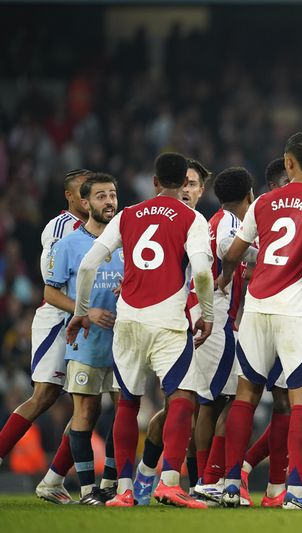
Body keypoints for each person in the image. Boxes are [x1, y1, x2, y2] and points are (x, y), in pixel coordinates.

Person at [67, 152, 215, 508]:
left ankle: (123, 490)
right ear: (184, 184)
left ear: (154, 181)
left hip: (128, 320)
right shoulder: (192, 218)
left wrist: (81, 312)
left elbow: (88, 266)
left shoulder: (127, 215)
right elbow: (203, 272)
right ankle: (169, 482)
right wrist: (206, 314)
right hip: (167, 322)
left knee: (128, 403)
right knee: (182, 398)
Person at [216, 132, 302, 511]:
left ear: (288, 163)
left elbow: (234, 252)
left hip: (256, 306)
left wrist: (222, 280)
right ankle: (297, 494)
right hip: (297, 309)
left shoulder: (264, 202)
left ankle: (232, 485)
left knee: (246, 395)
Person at [0, 169, 89, 504]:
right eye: (83, 190)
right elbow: (52, 281)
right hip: (59, 318)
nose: (87, 196)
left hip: (88, 322)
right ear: (69, 195)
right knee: (44, 396)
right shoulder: (61, 226)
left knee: (88, 403)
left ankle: (53, 479)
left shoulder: (102, 229)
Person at [134, 157, 211, 504]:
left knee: (192, 405)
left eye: (194, 184)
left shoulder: (206, 224)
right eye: (185, 182)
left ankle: (167, 479)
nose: (187, 189)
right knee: (181, 403)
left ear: (200, 189)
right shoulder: (173, 224)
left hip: (202, 325)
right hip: (172, 324)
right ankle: (154, 476)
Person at [44, 173, 123, 505]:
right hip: (87, 341)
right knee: (86, 413)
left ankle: (112, 484)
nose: (109, 202)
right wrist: (84, 311)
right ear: (86, 203)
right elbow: (50, 291)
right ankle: (89, 491)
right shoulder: (68, 245)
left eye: (113, 195)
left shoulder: (127, 241)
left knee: (125, 413)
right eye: (101, 196)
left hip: (123, 342)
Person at [191, 167, 256, 505]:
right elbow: (235, 252)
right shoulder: (231, 223)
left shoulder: (212, 221)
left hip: (208, 315)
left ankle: (204, 480)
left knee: (209, 402)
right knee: (232, 399)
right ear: (250, 194)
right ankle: (212, 479)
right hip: (215, 318)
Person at [237, 158, 294, 508]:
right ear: (276, 185)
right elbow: (236, 256)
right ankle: (234, 476)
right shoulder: (262, 213)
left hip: (283, 316)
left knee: (286, 400)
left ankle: (262, 482)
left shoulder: (268, 212)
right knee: (256, 397)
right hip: (270, 317)